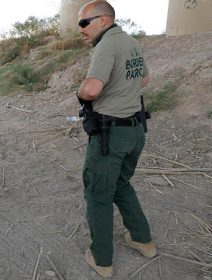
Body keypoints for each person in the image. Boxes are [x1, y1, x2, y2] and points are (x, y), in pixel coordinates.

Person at [76, 1, 156, 278]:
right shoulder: (130, 41)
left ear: (104, 20)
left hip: (111, 135)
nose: (81, 29)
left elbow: (91, 88)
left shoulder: (107, 44)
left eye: (85, 22)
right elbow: (144, 79)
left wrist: (82, 92)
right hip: (134, 131)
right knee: (121, 183)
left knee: (98, 194)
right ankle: (143, 240)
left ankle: (102, 260)